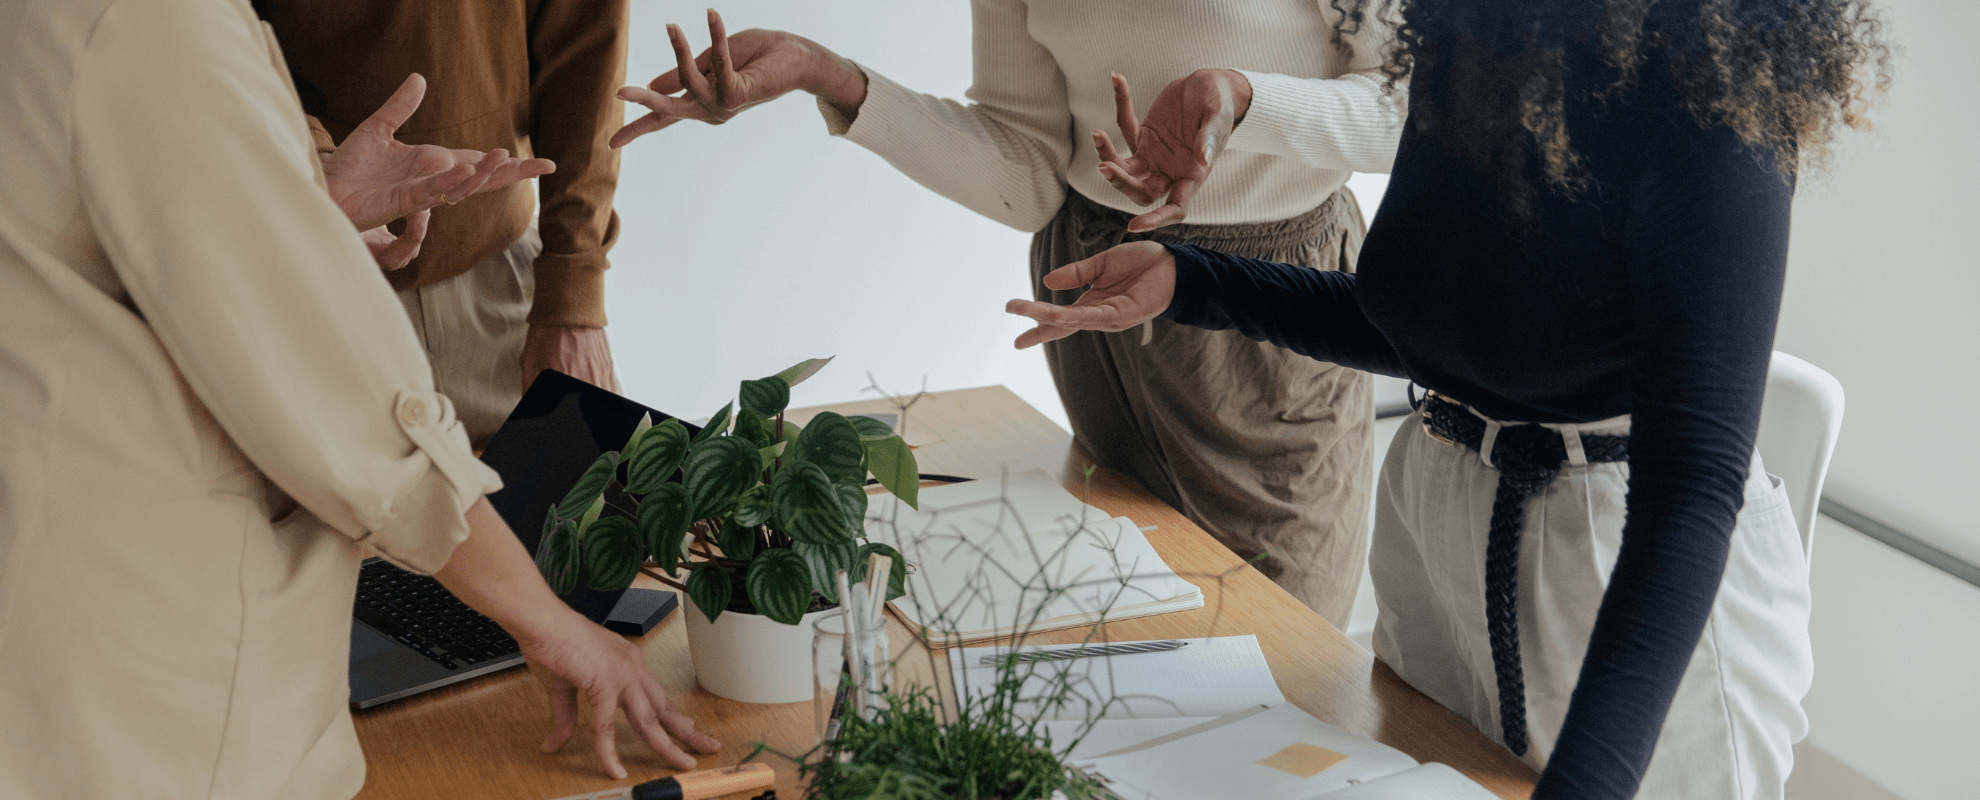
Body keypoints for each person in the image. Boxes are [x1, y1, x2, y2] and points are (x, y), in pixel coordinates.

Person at [1005, 0, 1891, 797]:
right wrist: (1189, 280)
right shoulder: (1475, 40)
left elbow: (1694, 487)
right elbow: (1435, 326)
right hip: (1442, 529)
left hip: (1616, 566)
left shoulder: (1713, 109)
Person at [0, 1, 718, 797]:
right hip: (150, 681)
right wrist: (553, 625)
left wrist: (296, 181)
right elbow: (363, 413)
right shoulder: (143, 24)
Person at [608, 6, 1408, 627]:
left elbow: (1412, 104)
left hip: (1271, 295)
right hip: (1096, 287)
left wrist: (1246, 99)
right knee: (1134, 629)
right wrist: (834, 78)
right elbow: (1027, 164)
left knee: (1284, 646)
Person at [252, 0, 634, 446]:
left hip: (508, 290)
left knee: (597, 506)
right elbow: (195, 36)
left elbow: (587, 38)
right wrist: (313, 163)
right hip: (307, 281)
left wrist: (573, 292)